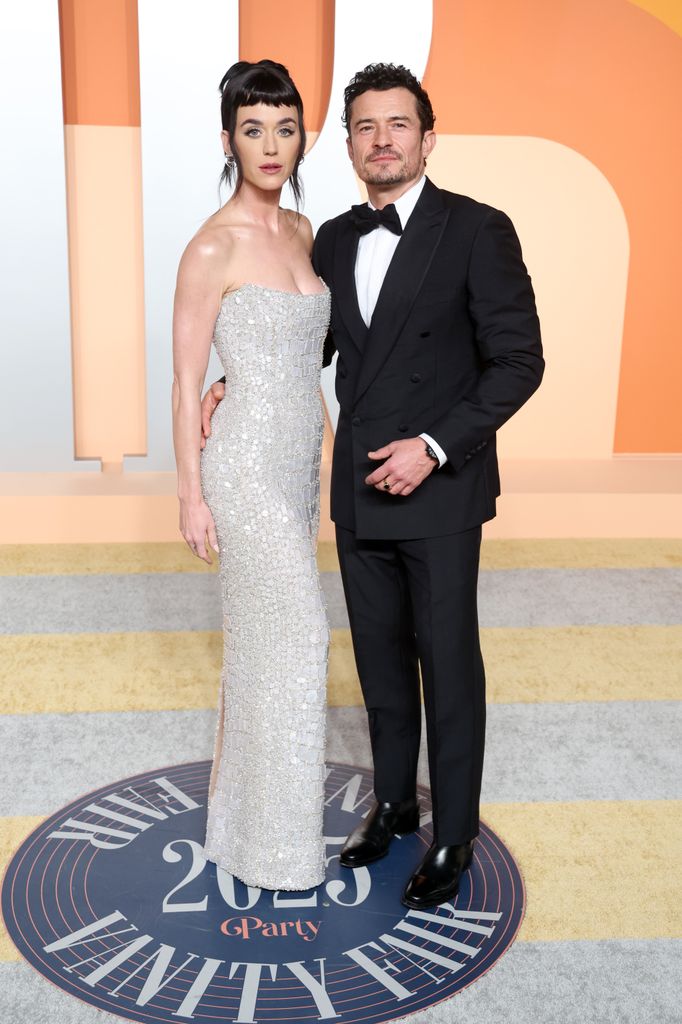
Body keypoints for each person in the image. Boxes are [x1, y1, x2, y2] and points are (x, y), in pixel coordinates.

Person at [203, 63, 544, 909]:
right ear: (348, 142)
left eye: (398, 124)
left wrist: (433, 446)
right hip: (357, 490)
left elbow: (519, 361)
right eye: (364, 126)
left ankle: (454, 833)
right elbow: (319, 337)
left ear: (429, 138)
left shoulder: (478, 230)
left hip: (438, 490)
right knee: (381, 664)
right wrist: (234, 378)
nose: (381, 139)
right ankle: (393, 804)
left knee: (447, 663)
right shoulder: (337, 237)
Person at [172, 60, 330, 892]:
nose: (271, 145)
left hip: (298, 464)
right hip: (240, 471)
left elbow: (307, 351)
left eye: (285, 127)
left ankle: (248, 831)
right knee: (301, 636)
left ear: (301, 135)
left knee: (269, 649)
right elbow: (182, 377)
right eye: (253, 129)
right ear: (228, 139)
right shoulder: (212, 244)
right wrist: (191, 494)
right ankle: (278, 848)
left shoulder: (305, 233)